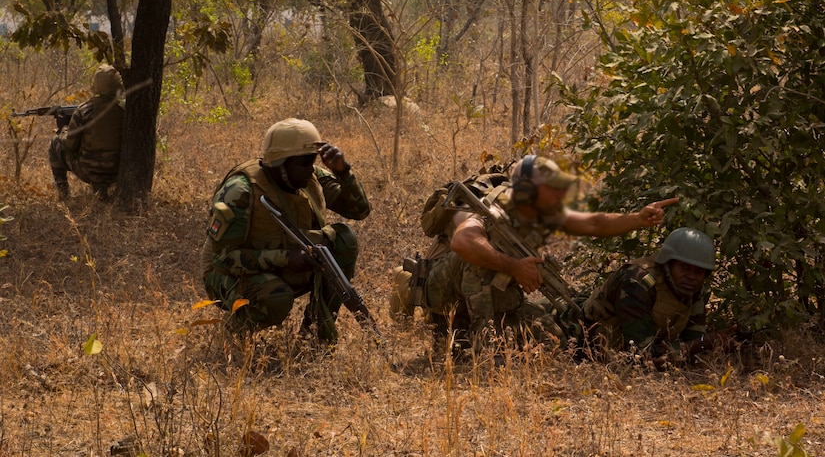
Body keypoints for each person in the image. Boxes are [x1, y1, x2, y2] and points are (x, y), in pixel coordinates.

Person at [399, 154, 678, 353]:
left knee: (551, 339)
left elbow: (594, 223)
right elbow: (463, 241)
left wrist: (638, 218)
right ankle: (478, 343)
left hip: (489, 295)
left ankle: (483, 334)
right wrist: (515, 267)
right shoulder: (492, 209)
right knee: (478, 257)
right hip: (443, 290)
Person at [201, 118, 371, 344]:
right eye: (303, 163)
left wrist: (344, 172)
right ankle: (230, 336)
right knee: (276, 297)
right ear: (280, 163)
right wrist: (284, 258)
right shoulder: (241, 191)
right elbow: (222, 259)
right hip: (228, 275)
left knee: (343, 238)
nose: (310, 169)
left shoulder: (310, 178)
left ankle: (316, 332)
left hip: (287, 262)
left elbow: (359, 210)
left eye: (312, 162)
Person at [577, 226, 734, 368]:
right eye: (684, 268)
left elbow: (691, 342)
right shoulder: (637, 282)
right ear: (668, 263)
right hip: (578, 333)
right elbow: (642, 354)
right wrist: (704, 343)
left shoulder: (690, 287)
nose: (691, 277)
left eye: (698, 272)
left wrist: (717, 342)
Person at [48, 64, 125, 200]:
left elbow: (69, 145)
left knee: (55, 142)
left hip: (88, 171)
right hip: (118, 170)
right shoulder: (126, 110)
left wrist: (64, 127)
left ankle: (63, 193)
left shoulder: (84, 111)